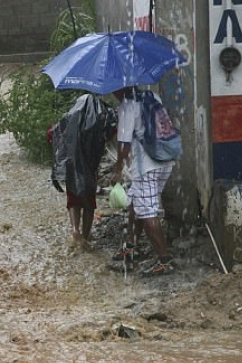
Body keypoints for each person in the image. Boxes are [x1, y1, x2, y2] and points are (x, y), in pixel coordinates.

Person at [111, 86, 175, 276]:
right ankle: (130, 246)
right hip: (165, 160)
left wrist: (118, 170)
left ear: (120, 87)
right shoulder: (152, 95)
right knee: (134, 202)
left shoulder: (127, 105)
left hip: (146, 166)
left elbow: (124, 143)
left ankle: (164, 261)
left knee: (147, 212)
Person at [48, 94, 115, 248]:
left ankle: (74, 230)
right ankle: (86, 236)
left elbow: (51, 135)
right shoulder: (97, 122)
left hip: (71, 168)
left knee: (73, 200)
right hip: (90, 169)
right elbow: (110, 134)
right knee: (89, 204)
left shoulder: (68, 118)